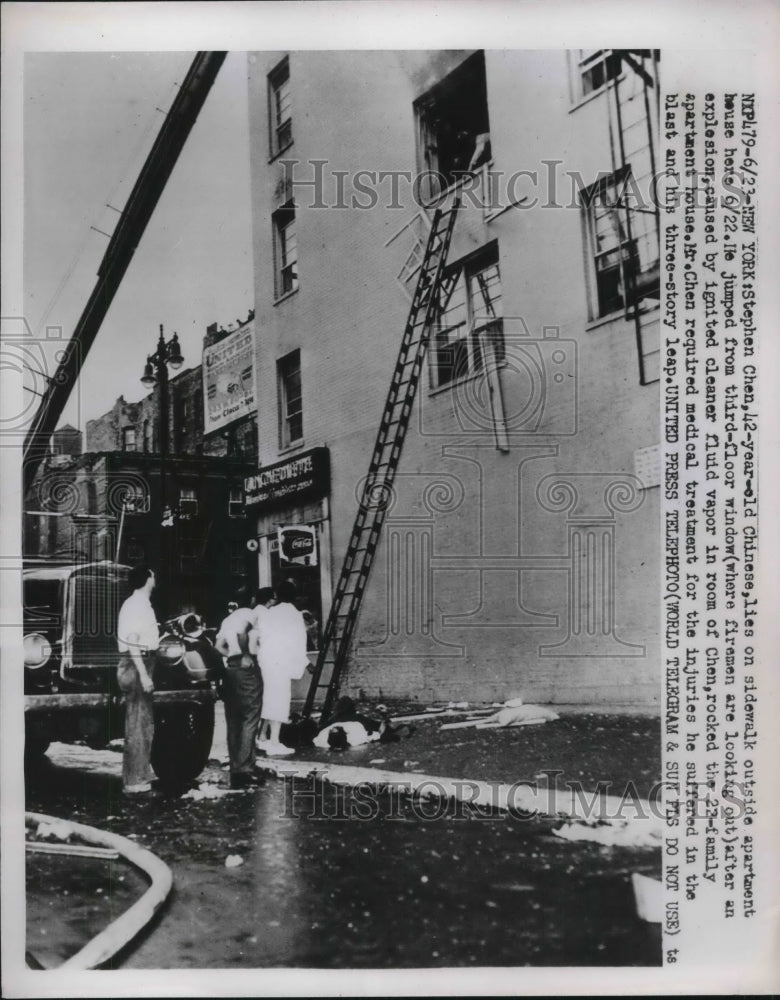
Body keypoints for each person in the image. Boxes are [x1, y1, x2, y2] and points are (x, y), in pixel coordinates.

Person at [116, 566, 159, 795]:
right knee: (139, 724)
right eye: (153, 575)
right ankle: (135, 781)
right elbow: (133, 641)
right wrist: (143, 674)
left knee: (141, 723)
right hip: (137, 663)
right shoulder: (137, 605)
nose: (155, 578)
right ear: (148, 579)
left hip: (139, 662)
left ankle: (138, 776)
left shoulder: (139, 604)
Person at [215, 591, 264, 789]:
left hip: (231, 669)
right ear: (251, 601)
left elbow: (218, 646)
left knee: (234, 719)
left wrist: (232, 657)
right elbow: (244, 634)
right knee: (250, 717)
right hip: (246, 670)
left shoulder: (227, 619)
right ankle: (245, 769)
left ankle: (237, 767)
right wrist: (245, 654)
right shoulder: (248, 615)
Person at [254, 579, 309, 757]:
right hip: (281, 663)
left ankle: (262, 738)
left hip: (266, 660)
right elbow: (298, 642)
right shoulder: (293, 614)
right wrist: (304, 663)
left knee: (268, 699)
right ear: (295, 596)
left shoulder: (269, 612)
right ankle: (275, 742)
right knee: (279, 701)